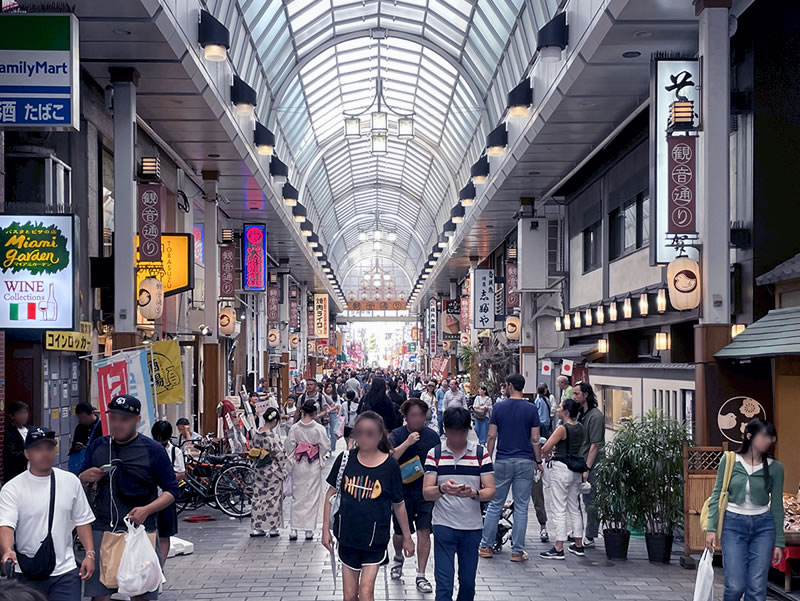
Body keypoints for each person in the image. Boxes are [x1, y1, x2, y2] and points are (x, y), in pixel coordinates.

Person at [79, 395, 179, 601]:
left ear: (137, 420)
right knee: (100, 593)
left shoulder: (153, 451)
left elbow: (171, 491)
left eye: (124, 419)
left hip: (141, 531)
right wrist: (84, 477)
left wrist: (147, 510)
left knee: (141, 592)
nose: (117, 424)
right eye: (113, 418)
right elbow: (79, 481)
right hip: (102, 527)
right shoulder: (99, 446)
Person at [322, 411, 414, 601]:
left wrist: (407, 537)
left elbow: (399, 504)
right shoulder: (344, 460)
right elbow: (330, 494)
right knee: (349, 596)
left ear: (380, 435)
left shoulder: (390, 466)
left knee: (366, 592)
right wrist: (325, 530)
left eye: (370, 433)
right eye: (360, 432)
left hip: (375, 538)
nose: (364, 438)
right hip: (347, 536)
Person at [0, 427, 95, 601]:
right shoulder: (12, 489)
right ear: (27, 453)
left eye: (49, 448)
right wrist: (7, 550)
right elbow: (6, 524)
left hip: (65, 571)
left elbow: (83, 520)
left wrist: (89, 554)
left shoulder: (70, 481)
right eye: (38, 449)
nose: (45, 453)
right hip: (26, 572)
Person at [706, 419, 784, 601]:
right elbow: (717, 494)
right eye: (764, 436)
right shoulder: (730, 460)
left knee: (757, 589)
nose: (769, 440)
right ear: (750, 436)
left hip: (763, 527)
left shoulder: (775, 468)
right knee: (734, 586)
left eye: (771, 437)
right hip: (733, 525)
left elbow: (777, 506)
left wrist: (779, 542)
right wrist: (711, 528)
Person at [423, 408, 495, 601]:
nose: (457, 438)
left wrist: (474, 493)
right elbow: (427, 492)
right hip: (443, 526)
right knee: (444, 584)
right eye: (453, 433)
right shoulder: (435, 454)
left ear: (468, 430)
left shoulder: (480, 453)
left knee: (468, 583)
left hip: (472, 528)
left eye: (461, 433)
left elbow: (490, 490)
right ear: (445, 429)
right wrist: (442, 489)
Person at [479, 374, 543, 562]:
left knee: (495, 504)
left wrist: (486, 460)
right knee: (522, 507)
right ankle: (517, 551)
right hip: (525, 461)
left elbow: (491, 436)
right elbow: (535, 438)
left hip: (503, 460)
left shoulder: (499, 407)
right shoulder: (531, 409)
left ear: (509, 386)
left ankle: (486, 547)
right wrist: (538, 461)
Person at [388, 399, 441, 593]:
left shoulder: (433, 437)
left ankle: (421, 574)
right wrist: (407, 442)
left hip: (425, 491)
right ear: (405, 417)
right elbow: (389, 459)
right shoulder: (396, 435)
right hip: (401, 493)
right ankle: (398, 558)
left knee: (424, 531)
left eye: (421, 415)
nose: (418, 419)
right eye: (413, 415)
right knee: (401, 533)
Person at [538, 398, 586, 560]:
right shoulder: (580, 427)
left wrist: (544, 455)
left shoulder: (561, 429)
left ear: (566, 411)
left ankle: (559, 547)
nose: (557, 409)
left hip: (561, 468)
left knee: (559, 508)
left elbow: (546, 447)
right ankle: (578, 544)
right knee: (574, 507)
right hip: (576, 470)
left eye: (559, 407)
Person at [285, 400, 331, 541]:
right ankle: (308, 530)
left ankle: (294, 529)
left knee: (297, 496)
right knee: (312, 497)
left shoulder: (295, 428)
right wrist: (319, 455)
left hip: (299, 463)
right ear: (315, 413)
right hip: (313, 463)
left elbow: (289, 446)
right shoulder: (318, 428)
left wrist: (292, 459)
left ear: (303, 411)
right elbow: (325, 446)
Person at [150, 421, 185, 566]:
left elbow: (182, 473)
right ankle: (151, 565)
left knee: (164, 534)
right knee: (149, 532)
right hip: (149, 496)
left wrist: (166, 476)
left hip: (166, 497)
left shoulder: (174, 451)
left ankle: (160, 566)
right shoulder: (147, 448)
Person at [250, 407, 289, 538]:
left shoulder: (256, 434)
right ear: (276, 421)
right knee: (273, 499)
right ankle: (272, 527)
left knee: (258, 498)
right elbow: (280, 454)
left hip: (259, 469)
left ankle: (258, 527)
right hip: (272, 471)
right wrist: (285, 468)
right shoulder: (272, 436)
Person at [574, 382, 604, 547]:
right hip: (580, 460)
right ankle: (578, 531)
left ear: (586, 395)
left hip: (591, 462)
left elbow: (595, 445)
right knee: (576, 498)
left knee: (590, 499)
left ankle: (591, 534)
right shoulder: (581, 414)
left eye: (577, 394)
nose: (574, 397)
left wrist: (588, 467)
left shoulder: (595, 416)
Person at [3, 401, 29, 482]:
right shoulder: (10, 433)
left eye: (25, 413)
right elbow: (11, 454)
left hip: (31, 471)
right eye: (20, 413)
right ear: (12, 416)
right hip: (17, 473)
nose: (23, 416)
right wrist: (28, 454)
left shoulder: (30, 429)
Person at [324, 382, 342, 453]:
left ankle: (332, 448)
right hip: (324, 416)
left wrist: (329, 411)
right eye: (327, 387)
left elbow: (337, 405)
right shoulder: (322, 396)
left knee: (333, 432)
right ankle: (327, 449)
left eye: (330, 387)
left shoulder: (336, 396)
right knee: (325, 433)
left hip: (333, 415)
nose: (328, 389)